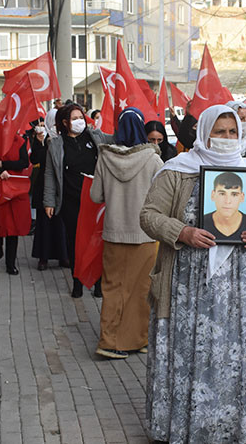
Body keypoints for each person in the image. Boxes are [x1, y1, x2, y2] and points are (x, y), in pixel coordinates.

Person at [140, 105, 246, 443]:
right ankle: (181, 428)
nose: (227, 139)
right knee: (186, 352)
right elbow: (148, 215)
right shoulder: (178, 170)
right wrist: (181, 232)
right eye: (219, 132)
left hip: (237, 288)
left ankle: (230, 429)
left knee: (234, 355)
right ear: (203, 133)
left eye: (232, 132)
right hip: (186, 286)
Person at [91, 107, 163, 359]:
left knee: (112, 288)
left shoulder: (104, 157)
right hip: (145, 236)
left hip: (113, 233)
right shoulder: (153, 159)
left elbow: (95, 195)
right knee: (142, 289)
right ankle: (137, 340)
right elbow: (163, 196)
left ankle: (109, 341)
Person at [43, 104, 114, 297]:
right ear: (65, 122)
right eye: (74, 118)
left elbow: (118, 141)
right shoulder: (56, 144)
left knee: (97, 241)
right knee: (75, 243)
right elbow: (50, 174)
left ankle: (98, 283)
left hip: (96, 199)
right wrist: (49, 201)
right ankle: (77, 281)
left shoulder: (95, 137)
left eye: (80, 117)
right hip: (70, 201)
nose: (79, 121)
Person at [0, 131, 30, 275]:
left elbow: (24, 162)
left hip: (15, 188)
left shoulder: (19, 141)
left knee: (13, 228)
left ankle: (11, 263)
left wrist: (3, 164)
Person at [29, 117, 70, 270]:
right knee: (44, 224)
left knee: (61, 224)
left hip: (61, 187)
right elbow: (35, 159)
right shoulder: (43, 140)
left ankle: (64, 256)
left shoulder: (65, 139)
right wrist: (39, 142)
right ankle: (43, 257)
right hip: (44, 188)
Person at [203, 172, 246, 240]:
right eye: (222, 194)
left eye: (234, 195)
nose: (227, 201)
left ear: (242, 197)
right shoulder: (202, 222)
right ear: (213, 195)